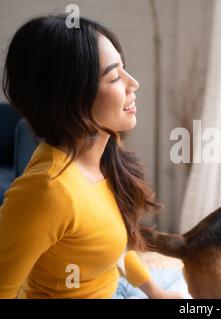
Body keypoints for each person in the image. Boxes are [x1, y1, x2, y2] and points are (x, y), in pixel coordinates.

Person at [0, 15, 186, 299]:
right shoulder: (48, 190)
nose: (133, 83)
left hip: (117, 286)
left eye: (124, 70)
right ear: (70, 98)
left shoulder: (102, 160)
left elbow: (113, 248)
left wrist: (155, 292)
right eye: (114, 76)